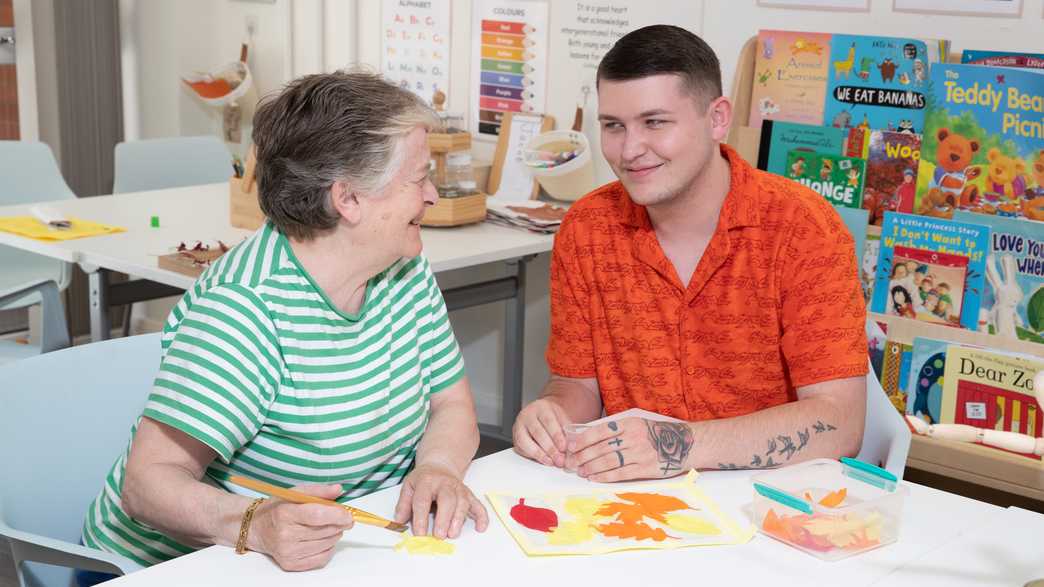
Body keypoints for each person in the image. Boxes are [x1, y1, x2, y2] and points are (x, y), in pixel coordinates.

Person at [80, 71, 488, 577]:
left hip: (333, 555)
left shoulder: (401, 265)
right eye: (418, 178)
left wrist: (438, 468)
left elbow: (450, 404)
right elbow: (147, 485)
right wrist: (252, 524)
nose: (431, 195)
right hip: (173, 566)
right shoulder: (245, 308)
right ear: (349, 199)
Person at [513, 25, 868, 482]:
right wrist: (552, 414)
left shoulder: (802, 228)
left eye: (655, 122)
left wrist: (675, 446)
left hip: (770, 501)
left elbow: (840, 423)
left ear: (717, 119)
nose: (631, 150)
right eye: (613, 126)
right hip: (633, 500)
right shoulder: (586, 228)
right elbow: (576, 384)